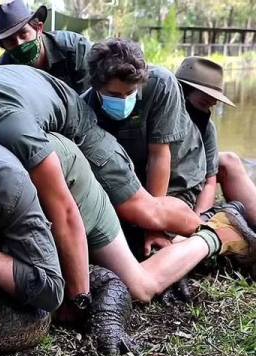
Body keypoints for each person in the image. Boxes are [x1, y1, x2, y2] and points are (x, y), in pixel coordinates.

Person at [0, 137, 254, 311]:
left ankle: (217, 232)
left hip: (68, 182)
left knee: (138, 286)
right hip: (0, 183)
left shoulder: (8, 189)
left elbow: (49, 292)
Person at [82, 39, 207, 255]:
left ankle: (215, 230)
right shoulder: (84, 108)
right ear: (96, 87)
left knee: (154, 246)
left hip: (175, 174)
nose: (124, 100)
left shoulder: (161, 84)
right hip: (132, 182)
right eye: (114, 95)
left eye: (130, 93)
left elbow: (159, 155)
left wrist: (155, 225)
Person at [176, 56, 256, 226]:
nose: (207, 110)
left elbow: (210, 182)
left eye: (211, 105)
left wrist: (198, 222)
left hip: (191, 180)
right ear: (181, 91)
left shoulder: (206, 127)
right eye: (203, 102)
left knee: (230, 160)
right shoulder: (157, 114)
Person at [0, 0, 92, 94]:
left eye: (23, 34)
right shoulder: (4, 69)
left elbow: (91, 97)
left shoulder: (76, 49)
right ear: (3, 46)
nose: (19, 43)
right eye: (11, 41)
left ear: (39, 28)